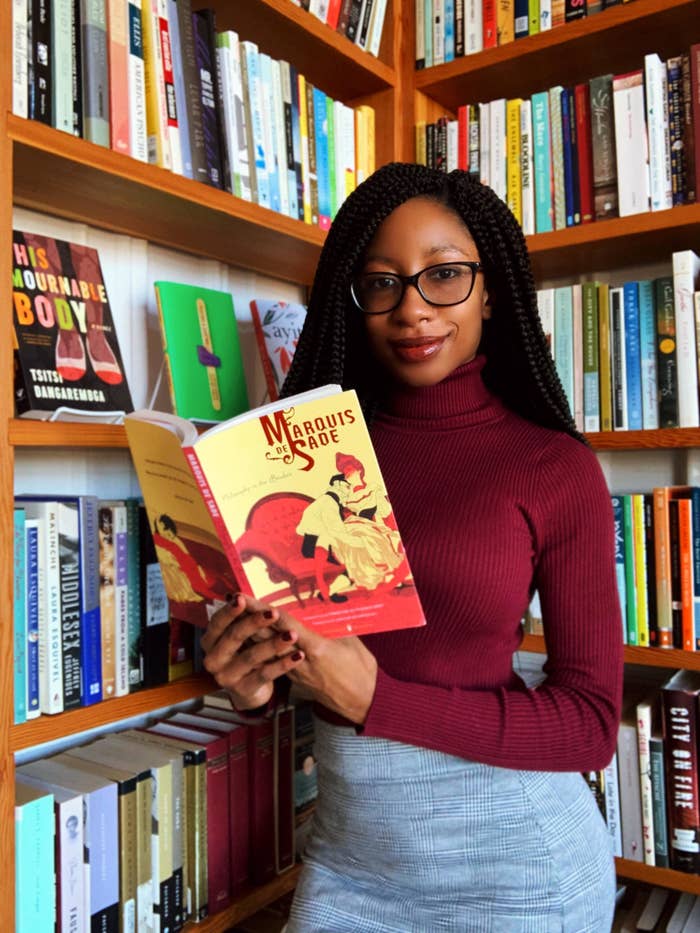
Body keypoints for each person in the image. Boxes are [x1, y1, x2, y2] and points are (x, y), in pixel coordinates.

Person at [200, 163, 624, 932]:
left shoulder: (553, 466)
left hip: (516, 868)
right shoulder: (309, 457)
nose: (414, 310)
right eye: (383, 283)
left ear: (491, 290)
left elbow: (591, 721)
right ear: (352, 302)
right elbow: (322, 659)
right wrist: (253, 684)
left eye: (445, 276)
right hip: (350, 859)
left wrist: (376, 700)